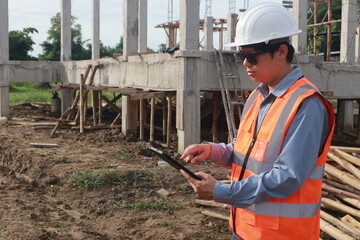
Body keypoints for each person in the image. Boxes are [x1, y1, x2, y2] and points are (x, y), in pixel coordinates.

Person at [180, 2, 335, 240]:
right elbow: (247, 151)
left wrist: (221, 191)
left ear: (282, 51)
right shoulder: (258, 96)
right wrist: (212, 150)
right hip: (245, 229)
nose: (245, 64)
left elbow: (288, 177)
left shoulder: (307, 105)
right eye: (242, 55)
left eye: (251, 56)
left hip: (283, 235)